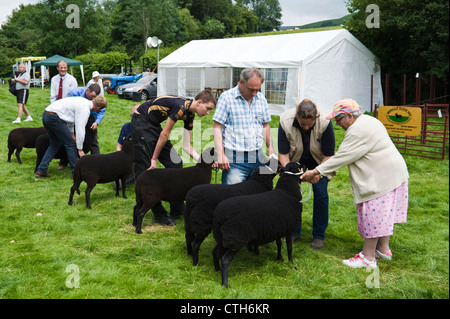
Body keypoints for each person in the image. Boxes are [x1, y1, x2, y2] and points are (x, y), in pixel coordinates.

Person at [300, 99, 409, 269]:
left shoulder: (357, 131)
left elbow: (341, 157)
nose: (337, 124)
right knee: (384, 215)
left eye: (338, 120)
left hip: (381, 178)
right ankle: (383, 249)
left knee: (375, 216)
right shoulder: (370, 120)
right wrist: (324, 172)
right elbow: (347, 155)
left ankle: (368, 257)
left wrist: (316, 172)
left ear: (349, 116)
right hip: (394, 174)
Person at [130, 91, 216, 225]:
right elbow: (165, 135)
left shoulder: (190, 114)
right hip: (141, 121)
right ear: (199, 102)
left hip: (154, 125)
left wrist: (205, 162)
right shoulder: (180, 107)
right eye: (208, 108)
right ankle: (159, 214)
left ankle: (177, 208)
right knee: (145, 167)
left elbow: (187, 146)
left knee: (175, 162)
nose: (208, 113)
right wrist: (154, 158)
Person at [278, 99, 335, 249]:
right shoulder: (285, 121)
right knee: (291, 196)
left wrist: (318, 173)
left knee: (321, 194)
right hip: (294, 162)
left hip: (319, 162)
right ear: (297, 117)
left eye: (310, 124)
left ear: (316, 117)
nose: (306, 127)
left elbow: (329, 154)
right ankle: (294, 231)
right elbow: (283, 154)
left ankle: (319, 235)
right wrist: (290, 173)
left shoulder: (325, 122)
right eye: (303, 124)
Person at [213, 68, 275, 185]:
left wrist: (270, 147)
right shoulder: (226, 98)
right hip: (236, 159)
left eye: (257, 90)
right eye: (251, 89)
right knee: (233, 198)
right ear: (241, 82)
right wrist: (220, 154)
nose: (254, 93)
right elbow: (217, 127)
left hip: (258, 157)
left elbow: (265, 125)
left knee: (256, 197)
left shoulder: (261, 99)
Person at [35, 95, 108, 178]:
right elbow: (80, 129)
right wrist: (80, 149)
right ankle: (76, 172)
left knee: (55, 144)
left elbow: (69, 119)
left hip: (46, 115)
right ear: (97, 107)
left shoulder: (82, 101)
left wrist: (72, 134)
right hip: (54, 118)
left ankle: (41, 170)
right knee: (71, 145)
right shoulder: (84, 109)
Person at [68, 84, 104, 154]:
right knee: (71, 138)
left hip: (90, 117)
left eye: (95, 97)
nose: (93, 99)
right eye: (92, 96)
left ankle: (96, 161)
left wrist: (96, 122)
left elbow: (101, 111)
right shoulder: (75, 93)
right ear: (87, 90)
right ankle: (65, 162)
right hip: (75, 117)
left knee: (93, 139)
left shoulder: (99, 97)